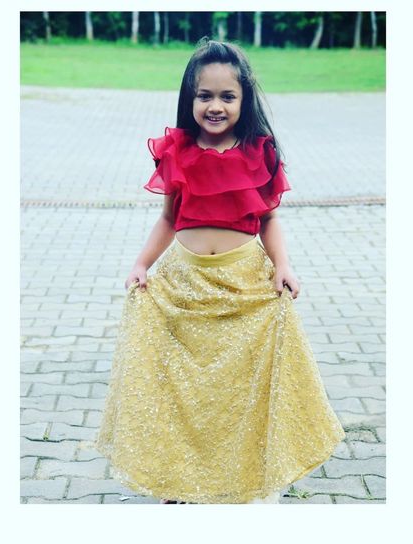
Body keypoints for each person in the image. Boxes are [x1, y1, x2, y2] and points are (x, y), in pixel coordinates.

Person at [92, 38, 346, 505]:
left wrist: (283, 266)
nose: (215, 106)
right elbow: (169, 218)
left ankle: (236, 479)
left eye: (227, 96)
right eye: (204, 95)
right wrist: (142, 264)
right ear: (189, 98)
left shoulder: (259, 152)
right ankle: (176, 481)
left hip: (243, 287)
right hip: (184, 287)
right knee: (180, 391)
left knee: (231, 393)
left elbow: (269, 219)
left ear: (244, 100)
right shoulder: (177, 151)